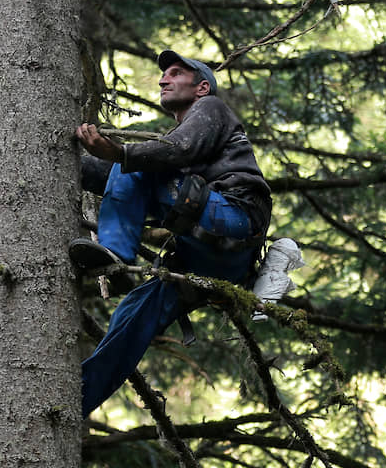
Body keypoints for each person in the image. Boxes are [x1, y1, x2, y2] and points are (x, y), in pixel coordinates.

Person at [70, 50, 272, 418]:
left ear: (202, 88)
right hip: (211, 258)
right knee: (133, 316)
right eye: (165, 75)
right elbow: (118, 173)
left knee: (135, 164)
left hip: (234, 218)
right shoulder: (174, 144)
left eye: (176, 73)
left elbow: (176, 150)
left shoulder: (211, 108)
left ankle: (114, 253)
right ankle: (73, 403)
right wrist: (69, 163)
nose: (164, 79)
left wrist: (120, 153)